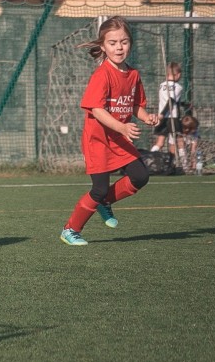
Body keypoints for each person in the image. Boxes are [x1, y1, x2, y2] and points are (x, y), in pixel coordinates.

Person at [60, 16, 159, 246]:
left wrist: (146, 117)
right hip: (98, 140)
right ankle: (70, 229)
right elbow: (97, 110)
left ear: (130, 43)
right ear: (103, 46)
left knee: (140, 176)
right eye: (113, 43)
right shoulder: (102, 74)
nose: (119, 47)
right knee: (99, 189)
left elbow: (135, 105)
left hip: (118, 137)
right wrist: (122, 127)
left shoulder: (133, 75)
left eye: (124, 42)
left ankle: (105, 202)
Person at [150, 61, 185, 159]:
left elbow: (168, 100)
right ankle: (184, 163)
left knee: (160, 142)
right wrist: (163, 113)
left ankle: (149, 158)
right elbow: (171, 100)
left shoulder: (162, 85)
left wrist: (161, 114)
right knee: (179, 140)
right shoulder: (177, 87)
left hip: (162, 118)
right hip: (172, 117)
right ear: (178, 75)